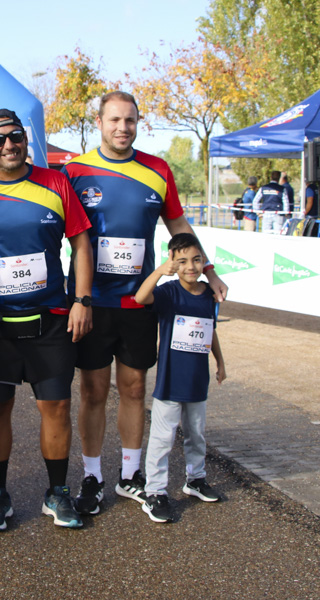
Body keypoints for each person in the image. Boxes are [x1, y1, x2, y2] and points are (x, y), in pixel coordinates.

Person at [61, 91, 229, 516]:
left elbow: (179, 225)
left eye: (130, 120)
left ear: (138, 123)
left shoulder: (157, 170)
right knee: (95, 390)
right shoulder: (75, 171)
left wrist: (207, 270)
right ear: (99, 122)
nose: (122, 128)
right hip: (93, 301)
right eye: (115, 120)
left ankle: (131, 476)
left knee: (134, 388)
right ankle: (93, 476)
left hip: (140, 300)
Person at [0, 108, 94, 530]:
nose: (9, 145)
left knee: (57, 406)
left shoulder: (57, 182)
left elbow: (81, 246)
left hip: (51, 320)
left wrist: (82, 299)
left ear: (25, 138)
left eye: (15, 136)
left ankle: (58, 492)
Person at [133, 233, 227, 523]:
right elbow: (140, 297)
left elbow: (210, 331)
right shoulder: (169, 292)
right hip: (170, 382)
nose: (191, 266)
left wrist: (220, 361)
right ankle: (155, 492)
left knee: (196, 434)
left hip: (198, 382)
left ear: (204, 262)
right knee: (162, 438)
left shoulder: (209, 295)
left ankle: (195, 479)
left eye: (196, 260)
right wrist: (160, 271)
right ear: (173, 260)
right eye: (182, 260)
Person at [255, 170, 289, 234]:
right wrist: (286, 213)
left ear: (271, 177)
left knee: (266, 235)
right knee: (278, 234)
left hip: (266, 214)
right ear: (279, 178)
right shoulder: (282, 189)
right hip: (278, 214)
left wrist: (258, 212)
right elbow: (286, 202)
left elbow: (255, 201)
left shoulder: (263, 188)